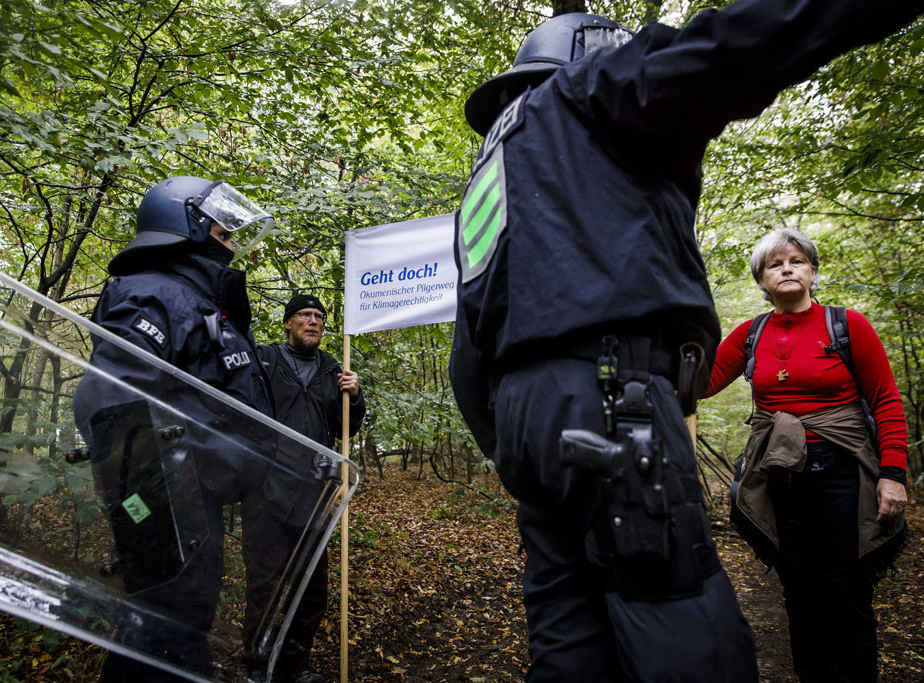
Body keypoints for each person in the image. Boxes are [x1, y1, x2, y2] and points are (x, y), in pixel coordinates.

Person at [448, 1, 924, 681]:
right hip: (613, 405)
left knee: (566, 634)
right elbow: (731, 49)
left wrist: (515, 444)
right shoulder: (589, 92)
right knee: (686, 631)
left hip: (524, 424)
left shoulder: (487, 177)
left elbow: (466, 354)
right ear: (595, 57)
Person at [74, 175, 276, 682]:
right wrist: (157, 507)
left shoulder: (203, 301)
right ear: (185, 222)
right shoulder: (154, 294)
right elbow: (111, 401)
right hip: (167, 505)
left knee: (180, 632)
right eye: (221, 224)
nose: (230, 234)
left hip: (196, 504)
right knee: (159, 638)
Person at [702, 227, 908, 682]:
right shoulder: (751, 333)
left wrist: (893, 473)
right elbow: (701, 384)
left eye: (796, 261)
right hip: (781, 474)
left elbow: (886, 400)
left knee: (847, 587)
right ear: (762, 280)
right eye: (775, 264)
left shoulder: (847, 325)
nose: (787, 269)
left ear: (813, 272)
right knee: (799, 588)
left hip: (844, 471)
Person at [245, 294, 365, 683]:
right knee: (264, 583)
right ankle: (257, 663)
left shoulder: (334, 370)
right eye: (304, 316)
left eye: (318, 317)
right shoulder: (265, 360)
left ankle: (296, 663)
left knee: (311, 586)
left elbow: (346, 431)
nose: (313, 322)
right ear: (287, 323)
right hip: (267, 489)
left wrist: (355, 396)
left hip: (316, 494)